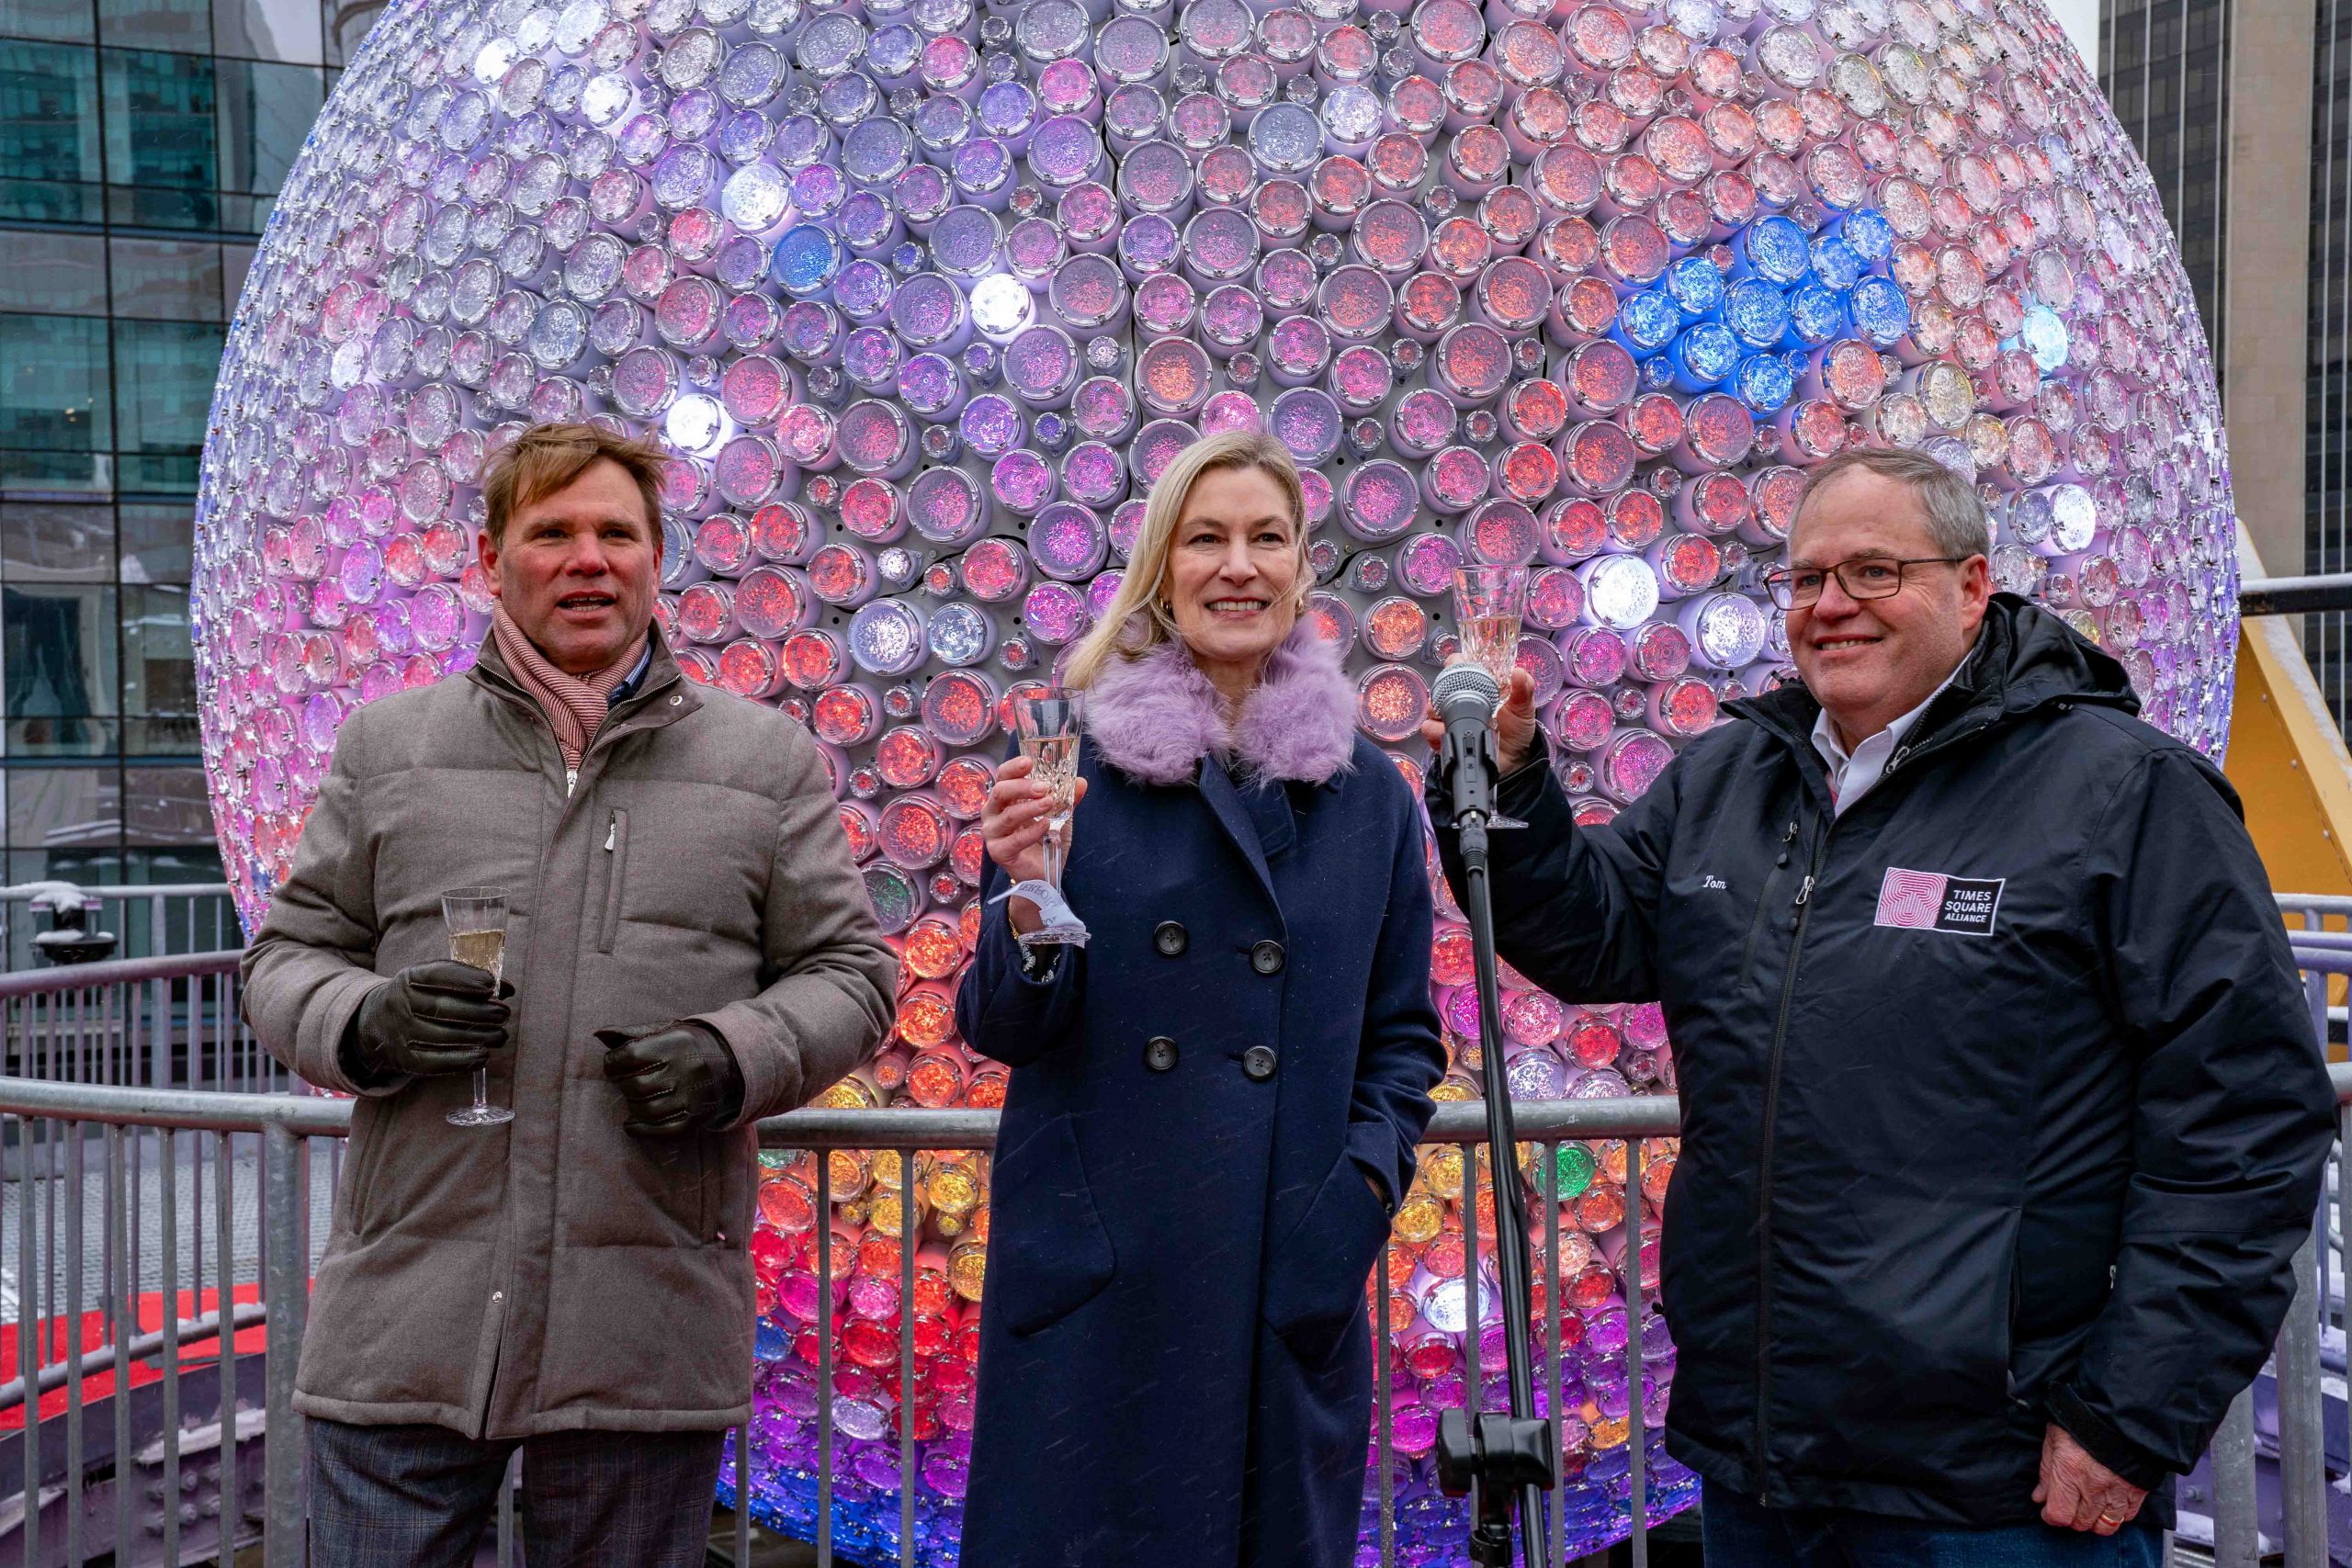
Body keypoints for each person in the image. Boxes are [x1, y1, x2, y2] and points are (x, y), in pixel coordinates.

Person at [1423, 446, 2335, 1565]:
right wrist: (1510, 782)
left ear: (1972, 586)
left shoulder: (2122, 793)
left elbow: (2244, 1119)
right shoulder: (1735, 778)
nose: (1831, 605)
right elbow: (1592, 929)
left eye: (1873, 572)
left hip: (1998, 1489)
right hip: (1764, 1463)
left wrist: (2130, 1414)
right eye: (1806, 578)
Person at [242, 422, 899, 1568]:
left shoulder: (764, 761)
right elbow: (285, 959)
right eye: (551, 532)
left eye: (616, 534)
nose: (587, 559)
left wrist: (734, 1054)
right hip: (406, 1314)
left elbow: (853, 973)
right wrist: (366, 1021)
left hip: (641, 1323)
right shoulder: (388, 746)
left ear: (657, 559)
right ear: (490, 560)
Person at [955, 430, 1447, 1567]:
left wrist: (1358, 1192)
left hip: (1286, 1266)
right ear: (1160, 570)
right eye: (1205, 539)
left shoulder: (1370, 793)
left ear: (1301, 569)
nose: (1237, 566)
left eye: (1266, 538)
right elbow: (1006, 1027)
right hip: (1101, 1280)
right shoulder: (1070, 766)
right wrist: (1024, 899)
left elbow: (1403, 1035)